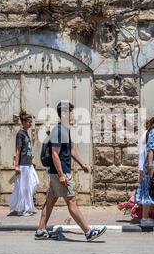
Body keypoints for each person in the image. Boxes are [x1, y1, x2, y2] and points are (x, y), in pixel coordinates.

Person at [35, 101, 107, 241]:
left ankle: (41, 230)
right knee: (72, 201)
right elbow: (55, 153)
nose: (74, 114)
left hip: (58, 172)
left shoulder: (66, 129)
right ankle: (88, 232)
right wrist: (62, 175)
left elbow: (71, 150)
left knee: (50, 201)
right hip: (60, 173)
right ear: (64, 114)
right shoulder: (58, 130)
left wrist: (83, 165)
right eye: (71, 112)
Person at [117, 121, 154, 224]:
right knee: (150, 193)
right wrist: (141, 172)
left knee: (148, 192)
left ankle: (134, 205)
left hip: (147, 168)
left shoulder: (147, 135)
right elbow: (143, 155)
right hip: (149, 169)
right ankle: (139, 210)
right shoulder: (148, 135)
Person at [9, 110, 39, 216]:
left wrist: (31, 161)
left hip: (28, 164)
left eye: (31, 122)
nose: (30, 124)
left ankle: (24, 207)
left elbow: (28, 149)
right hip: (23, 165)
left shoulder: (26, 134)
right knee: (24, 187)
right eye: (28, 122)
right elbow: (18, 150)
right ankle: (24, 209)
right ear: (23, 122)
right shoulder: (20, 134)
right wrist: (16, 166)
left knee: (35, 182)